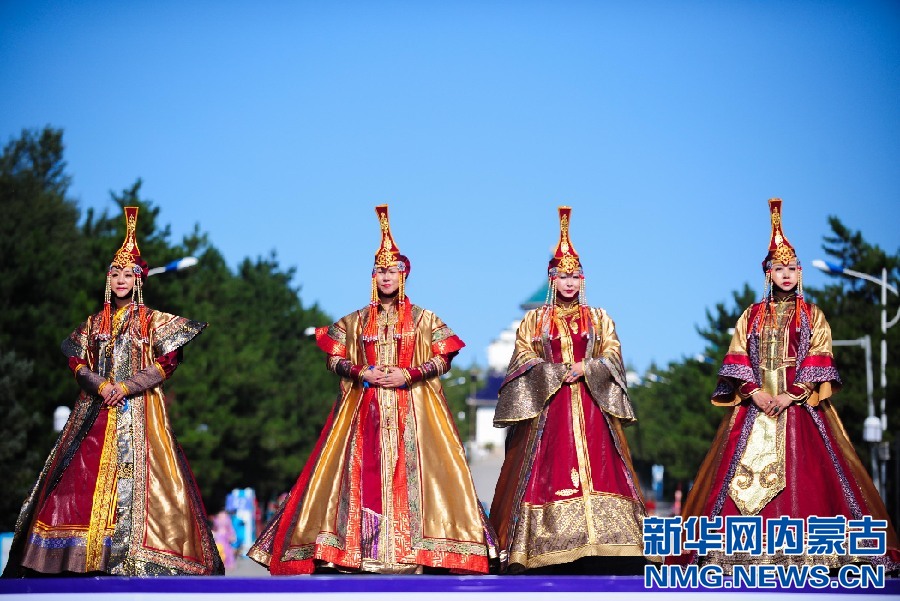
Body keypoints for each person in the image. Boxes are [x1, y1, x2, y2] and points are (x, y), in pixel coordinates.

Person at [248, 205, 498, 574]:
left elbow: (445, 356)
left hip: (413, 413)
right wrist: (359, 369)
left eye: (392, 270)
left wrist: (408, 374)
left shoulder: (424, 319)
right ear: (373, 275)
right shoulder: (355, 321)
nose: (386, 277)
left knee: (419, 477)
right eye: (380, 270)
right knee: (359, 477)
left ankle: (417, 551)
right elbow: (333, 357)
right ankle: (356, 552)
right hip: (365, 412)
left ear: (404, 274)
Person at [676, 198, 899, 571]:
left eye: (792, 268)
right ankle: (736, 552)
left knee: (811, 478)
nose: (787, 274)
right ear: (768, 273)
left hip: (799, 408)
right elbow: (736, 357)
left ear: (799, 273)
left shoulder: (813, 315)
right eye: (780, 269)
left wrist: (789, 394)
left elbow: (819, 356)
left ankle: (815, 551)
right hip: (755, 406)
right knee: (735, 479)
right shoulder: (751, 315)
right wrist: (756, 393)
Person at [3, 207, 223, 577]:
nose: (121, 280)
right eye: (115, 274)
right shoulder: (93, 324)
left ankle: (140, 556)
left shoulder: (153, 321)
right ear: (109, 279)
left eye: (128, 274)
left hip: (140, 411)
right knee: (76, 481)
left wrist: (126, 386)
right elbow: (76, 361)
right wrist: (102, 385)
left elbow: (168, 361)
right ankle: (75, 558)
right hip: (95, 410)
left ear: (139, 280)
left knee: (148, 481)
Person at [490, 206, 649, 574]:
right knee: (550, 469)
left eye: (575, 276)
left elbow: (612, 353)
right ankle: (546, 547)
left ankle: (611, 544)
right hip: (551, 408)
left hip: (592, 406)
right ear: (551, 279)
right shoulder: (535, 319)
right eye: (563, 277)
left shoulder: (599, 317)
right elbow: (522, 358)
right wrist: (554, 372)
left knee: (606, 466)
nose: (569, 283)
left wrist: (587, 367)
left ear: (583, 279)